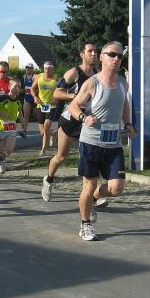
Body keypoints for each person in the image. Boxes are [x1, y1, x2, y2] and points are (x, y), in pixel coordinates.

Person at [68, 41, 136, 241]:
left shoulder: (123, 82)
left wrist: (128, 124)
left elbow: (124, 105)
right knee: (88, 186)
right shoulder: (92, 83)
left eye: (119, 56)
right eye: (112, 54)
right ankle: (85, 224)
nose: (116, 59)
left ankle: (94, 199)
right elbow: (73, 106)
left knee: (117, 188)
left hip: (113, 144)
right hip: (91, 143)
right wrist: (84, 117)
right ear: (102, 57)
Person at [41, 41, 97, 201]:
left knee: (88, 157)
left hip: (87, 121)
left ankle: (90, 196)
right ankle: (48, 179)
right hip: (70, 120)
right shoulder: (74, 72)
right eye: (90, 51)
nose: (94, 54)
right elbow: (57, 94)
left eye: (95, 51)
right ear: (82, 54)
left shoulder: (97, 75)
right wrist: (75, 97)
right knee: (61, 156)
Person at [0, 78, 23, 179]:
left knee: (9, 150)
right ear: (9, 87)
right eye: (15, 86)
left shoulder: (19, 100)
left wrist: (22, 122)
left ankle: (2, 159)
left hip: (11, 129)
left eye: (19, 87)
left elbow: (20, 112)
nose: (17, 89)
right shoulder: (2, 98)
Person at [31, 60, 58, 158]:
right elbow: (32, 89)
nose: (47, 71)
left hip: (52, 106)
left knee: (46, 126)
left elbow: (62, 90)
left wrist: (56, 98)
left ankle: (43, 151)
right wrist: (35, 97)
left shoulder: (56, 78)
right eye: (46, 69)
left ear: (53, 69)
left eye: (49, 69)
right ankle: (52, 134)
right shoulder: (39, 77)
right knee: (42, 132)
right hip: (41, 105)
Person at [20, 63, 36, 137]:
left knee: (38, 117)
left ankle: (44, 132)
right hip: (27, 99)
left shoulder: (35, 77)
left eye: (29, 68)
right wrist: (21, 91)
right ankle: (24, 131)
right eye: (26, 67)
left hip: (36, 99)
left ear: (32, 69)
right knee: (26, 115)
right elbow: (22, 88)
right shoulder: (24, 77)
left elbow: (39, 87)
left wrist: (34, 92)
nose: (27, 69)